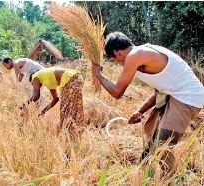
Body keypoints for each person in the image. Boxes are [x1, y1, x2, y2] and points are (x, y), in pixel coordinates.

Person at [92, 32, 204, 177]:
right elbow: (159, 91)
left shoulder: (135, 55)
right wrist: (140, 111)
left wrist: (98, 75)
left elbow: (117, 92)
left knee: (163, 142)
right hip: (174, 95)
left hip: (187, 98)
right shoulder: (142, 54)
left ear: (117, 52)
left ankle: (170, 179)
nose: (118, 64)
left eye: (114, 60)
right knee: (150, 130)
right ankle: (143, 170)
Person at [24, 67, 85, 138]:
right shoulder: (47, 79)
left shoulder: (35, 76)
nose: (33, 85)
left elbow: (36, 96)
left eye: (32, 84)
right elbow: (56, 99)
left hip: (71, 79)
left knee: (65, 109)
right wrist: (43, 112)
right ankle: (75, 132)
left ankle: (69, 134)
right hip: (76, 78)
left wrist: (24, 104)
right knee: (74, 107)